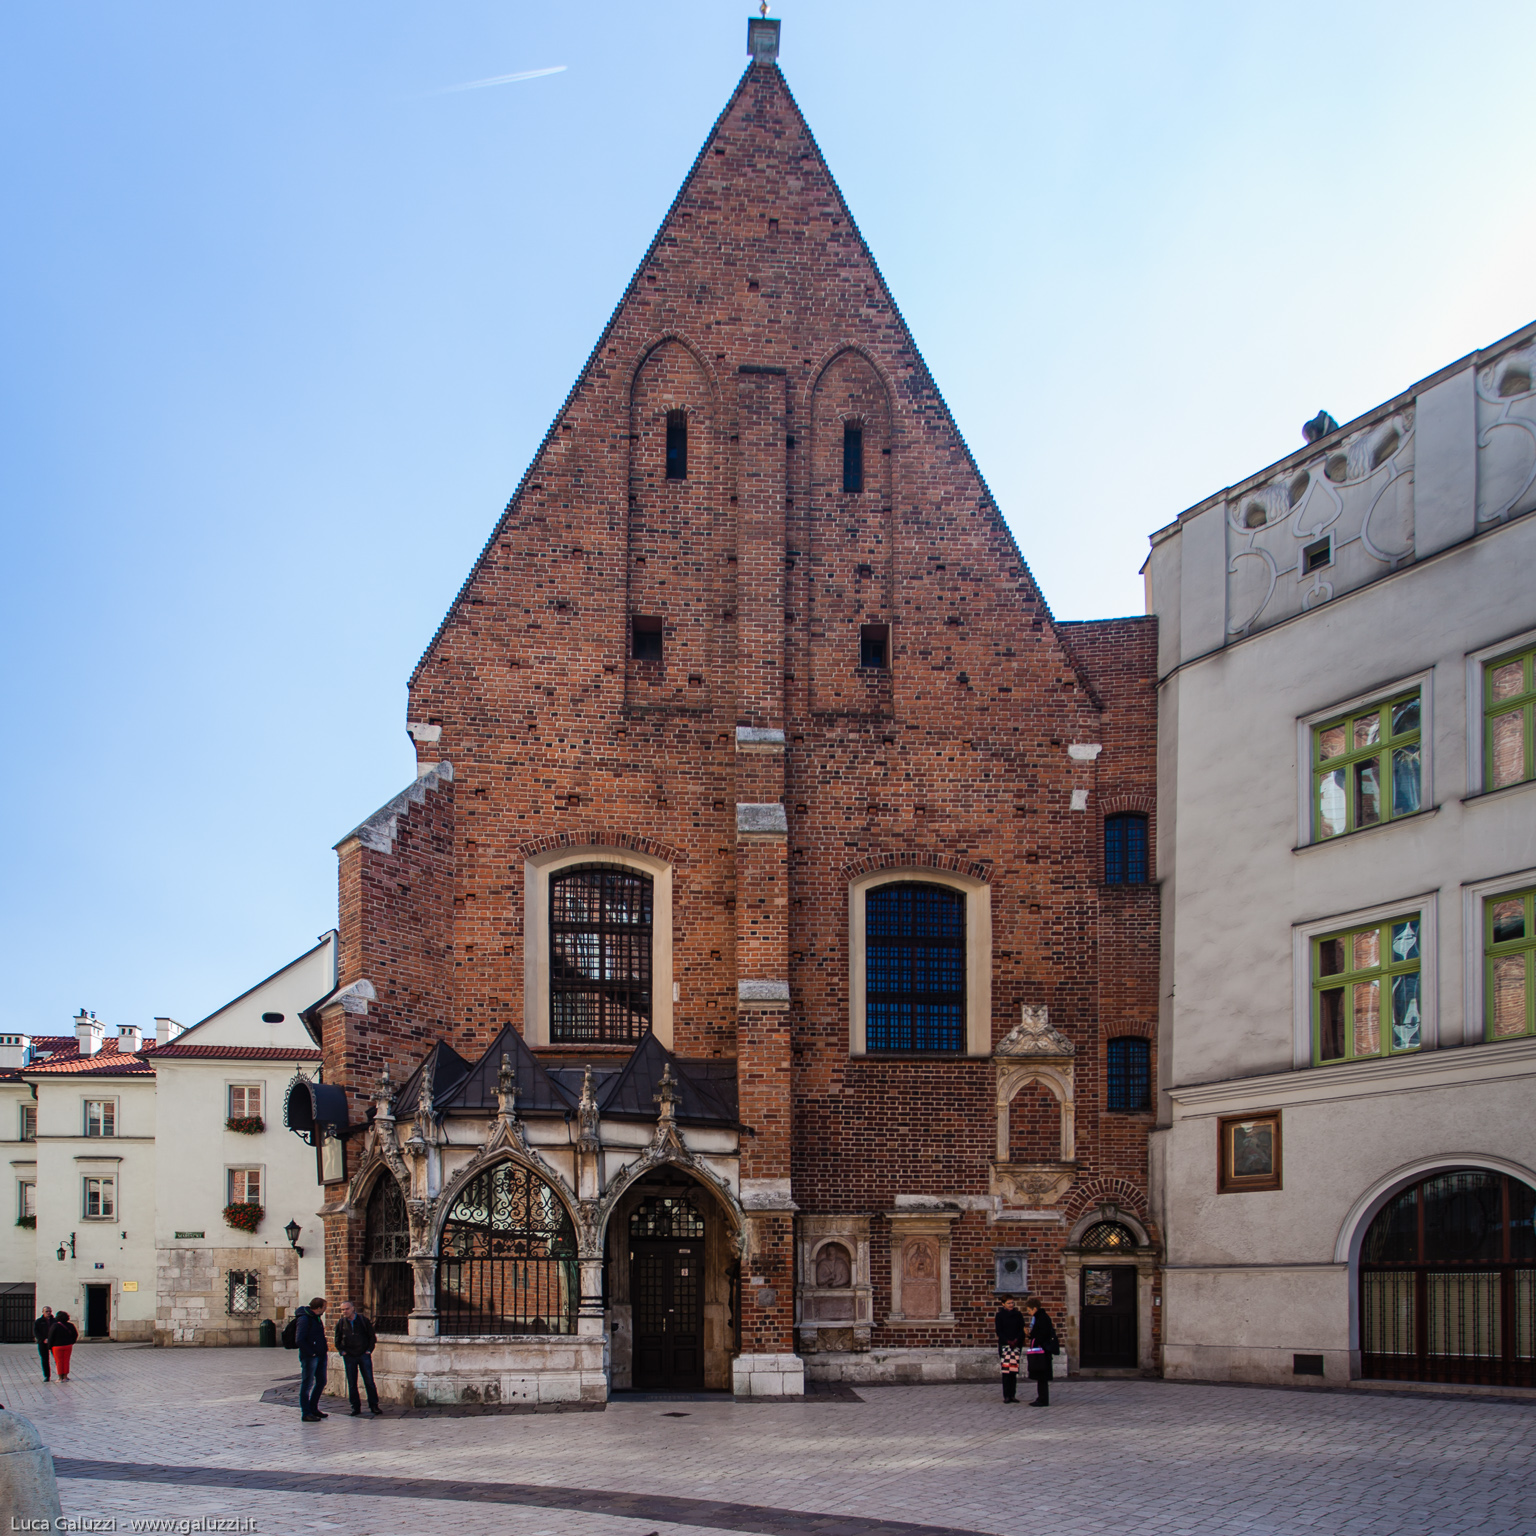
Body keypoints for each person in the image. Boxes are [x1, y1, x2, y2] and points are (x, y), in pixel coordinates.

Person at [334, 1300, 382, 1417]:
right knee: (352, 1383)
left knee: (369, 1381)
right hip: (350, 1355)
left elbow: (371, 1337)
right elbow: (337, 1339)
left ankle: (374, 1405)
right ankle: (355, 1407)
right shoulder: (341, 1323)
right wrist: (342, 1351)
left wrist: (369, 1350)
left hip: (363, 1354)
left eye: (347, 1309)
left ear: (352, 1308)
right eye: (343, 1310)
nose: (345, 1312)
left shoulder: (363, 1321)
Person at [294, 1297, 330, 1422]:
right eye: (324, 1307)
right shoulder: (304, 1319)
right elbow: (299, 1339)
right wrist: (312, 1353)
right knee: (307, 1384)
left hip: (320, 1354)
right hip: (310, 1357)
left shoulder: (316, 1318)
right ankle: (306, 1412)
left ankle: (313, 1408)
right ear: (319, 1308)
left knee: (321, 1381)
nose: (325, 1310)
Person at [1023, 1294, 1060, 1407]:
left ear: (1035, 1308)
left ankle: (1042, 1399)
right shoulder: (1041, 1317)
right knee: (1041, 1377)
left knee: (1042, 1377)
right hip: (1043, 1350)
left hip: (1043, 1351)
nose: (1029, 1313)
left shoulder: (1041, 1318)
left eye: (1029, 1310)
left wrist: (1029, 1335)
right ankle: (1041, 1398)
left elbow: (1041, 1335)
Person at [994, 1295, 1026, 1403]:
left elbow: (1021, 1329)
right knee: (1006, 1370)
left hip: (1016, 1344)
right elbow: (999, 1331)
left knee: (1013, 1370)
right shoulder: (1000, 1316)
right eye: (1009, 1303)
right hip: (1005, 1344)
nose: (1011, 1305)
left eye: (1012, 1303)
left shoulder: (1018, 1315)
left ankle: (1012, 1394)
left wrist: (1016, 1340)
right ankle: (1006, 1395)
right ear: (1003, 1304)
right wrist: (1007, 1341)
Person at [48, 1310, 79, 1382]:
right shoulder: (71, 1325)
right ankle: (65, 1376)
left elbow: (51, 1337)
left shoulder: (55, 1326)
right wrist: (71, 1342)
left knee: (59, 1361)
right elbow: (75, 1335)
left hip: (57, 1346)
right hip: (68, 1345)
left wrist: (49, 1346)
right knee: (66, 1361)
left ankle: (60, 1377)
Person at [33, 1305, 54, 1382]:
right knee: (45, 1359)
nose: (48, 1313)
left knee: (57, 1359)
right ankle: (47, 1375)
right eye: (46, 1311)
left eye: (50, 1311)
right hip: (43, 1342)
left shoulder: (54, 1321)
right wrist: (42, 1339)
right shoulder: (39, 1321)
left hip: (53, 1342)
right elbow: (36, 1332)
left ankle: (61, 1374)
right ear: (43, 1312)